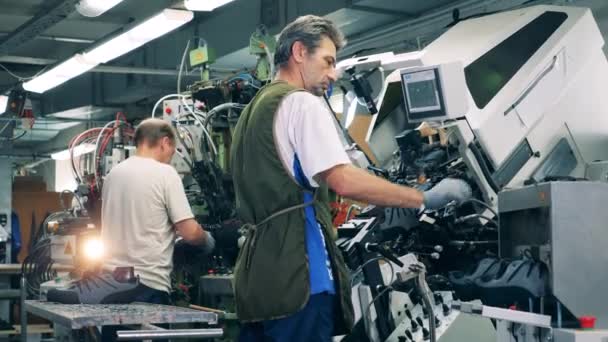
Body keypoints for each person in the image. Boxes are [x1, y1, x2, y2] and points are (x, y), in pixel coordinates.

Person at [230, 15, 472, 342]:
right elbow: (343, 180)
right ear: (300, 52)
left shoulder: (253, 110)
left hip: (258, 282)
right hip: (300, 279)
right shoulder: (300, 103)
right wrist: (423, 197)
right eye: (328, 61)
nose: (333, 73)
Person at [48, 119, 215, 341]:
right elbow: (190, 232)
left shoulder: (114, 175)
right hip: (148, 285)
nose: (171, 156)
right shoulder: (166, 174)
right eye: (172, 150)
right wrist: (210, 240)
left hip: (111, 284)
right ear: (164, 142)